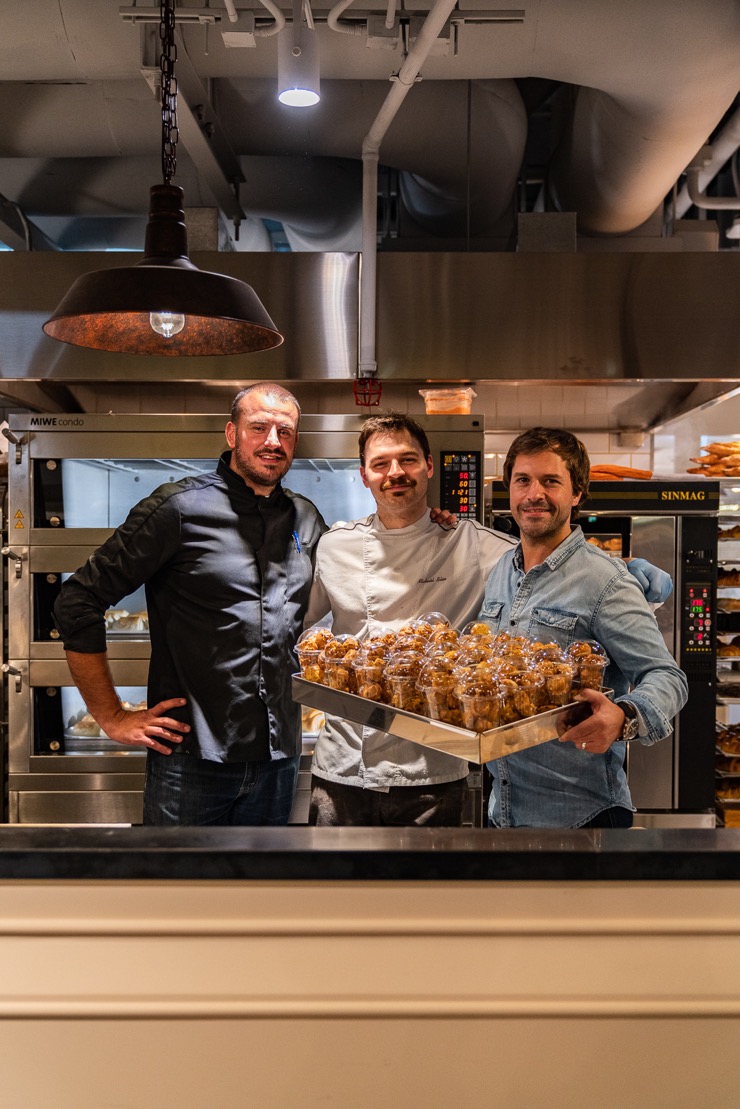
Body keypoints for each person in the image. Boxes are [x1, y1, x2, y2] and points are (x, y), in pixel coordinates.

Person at [304, 412, 671, 828]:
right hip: (366, 769)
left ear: (428, 466)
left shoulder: (475, 546)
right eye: (380, 463)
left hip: (453, 776)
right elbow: (296, 622)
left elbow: (569, 565)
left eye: (407, 459)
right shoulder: (337, 547)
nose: (395, 473)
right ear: (363, 474)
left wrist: (632, 571)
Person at [53, 384, 327, 826]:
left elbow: (357, 565)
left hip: (278, 759)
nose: (273, 442)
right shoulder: (177, 509)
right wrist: (112, 716)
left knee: (264, 893)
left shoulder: (306, 518)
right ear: (232, 434)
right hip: (191, 762)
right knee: (177, 892)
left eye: (286, 432)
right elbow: (77, 600)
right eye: (259, 428)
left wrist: (430, 524)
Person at [478, 426, 689, 829]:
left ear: (576, 494)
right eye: (523, 480)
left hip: (582, 817)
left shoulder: (605, 580)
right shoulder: (502, 571)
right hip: (504, 811)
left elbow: (667, 676)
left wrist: (625, 715)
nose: (533, 494)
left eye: (550, 481)